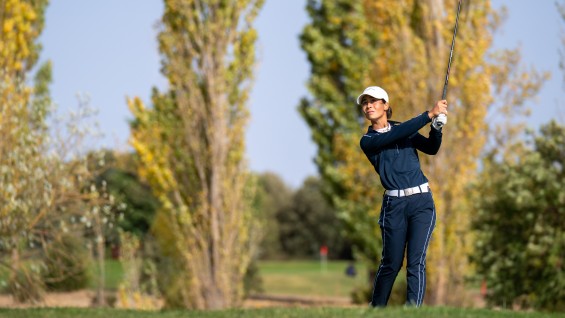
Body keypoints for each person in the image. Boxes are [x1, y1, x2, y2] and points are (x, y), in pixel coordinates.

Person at [357, 86, 447, 307]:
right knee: (391, 263)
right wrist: (429, 114)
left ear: (385, 105)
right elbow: (396, 134)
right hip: (393, 205)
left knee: (416, 262)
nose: (369, 105)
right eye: (365, 102)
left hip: (421, 203)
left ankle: (412, 311)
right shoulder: (368, 140)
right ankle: (376, 309)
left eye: (374, 101)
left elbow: (431, 148)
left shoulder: (403, 129)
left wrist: (436, 128)